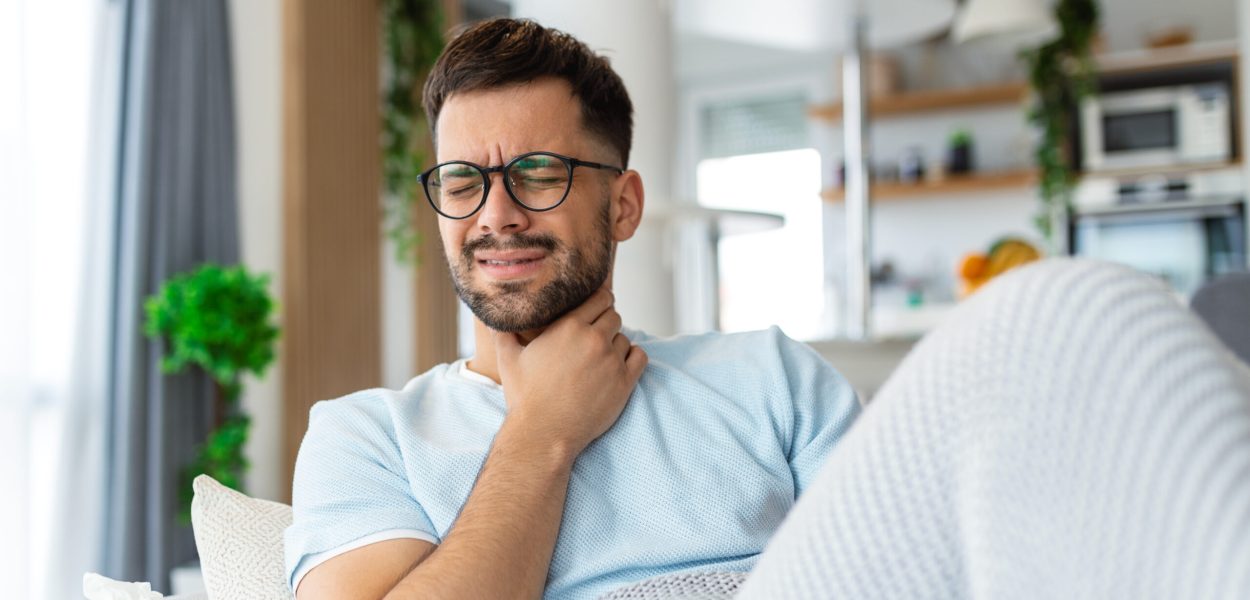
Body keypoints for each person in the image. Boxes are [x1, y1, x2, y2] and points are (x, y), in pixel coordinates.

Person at [283, 18, 860, 600]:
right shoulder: (367, 438)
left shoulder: (773, 379)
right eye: (461, 184)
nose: (495, 216)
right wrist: (541, 431)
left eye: (538, 174)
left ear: (624, 206)